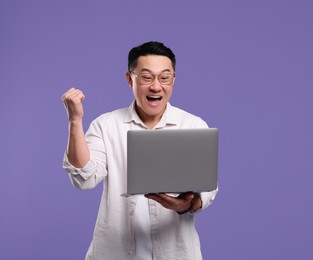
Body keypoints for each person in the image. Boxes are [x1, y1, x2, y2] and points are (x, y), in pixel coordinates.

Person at [61, 41, 218, 260]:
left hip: (177, 253)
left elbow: (207, 187)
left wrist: (188, 203)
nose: (156, 86)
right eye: (146, 77)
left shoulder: (192, 125)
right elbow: (84, 178)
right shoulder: (106, 125)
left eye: (164, 78)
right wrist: (75, 120)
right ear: (129, 79)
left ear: (173, 80)